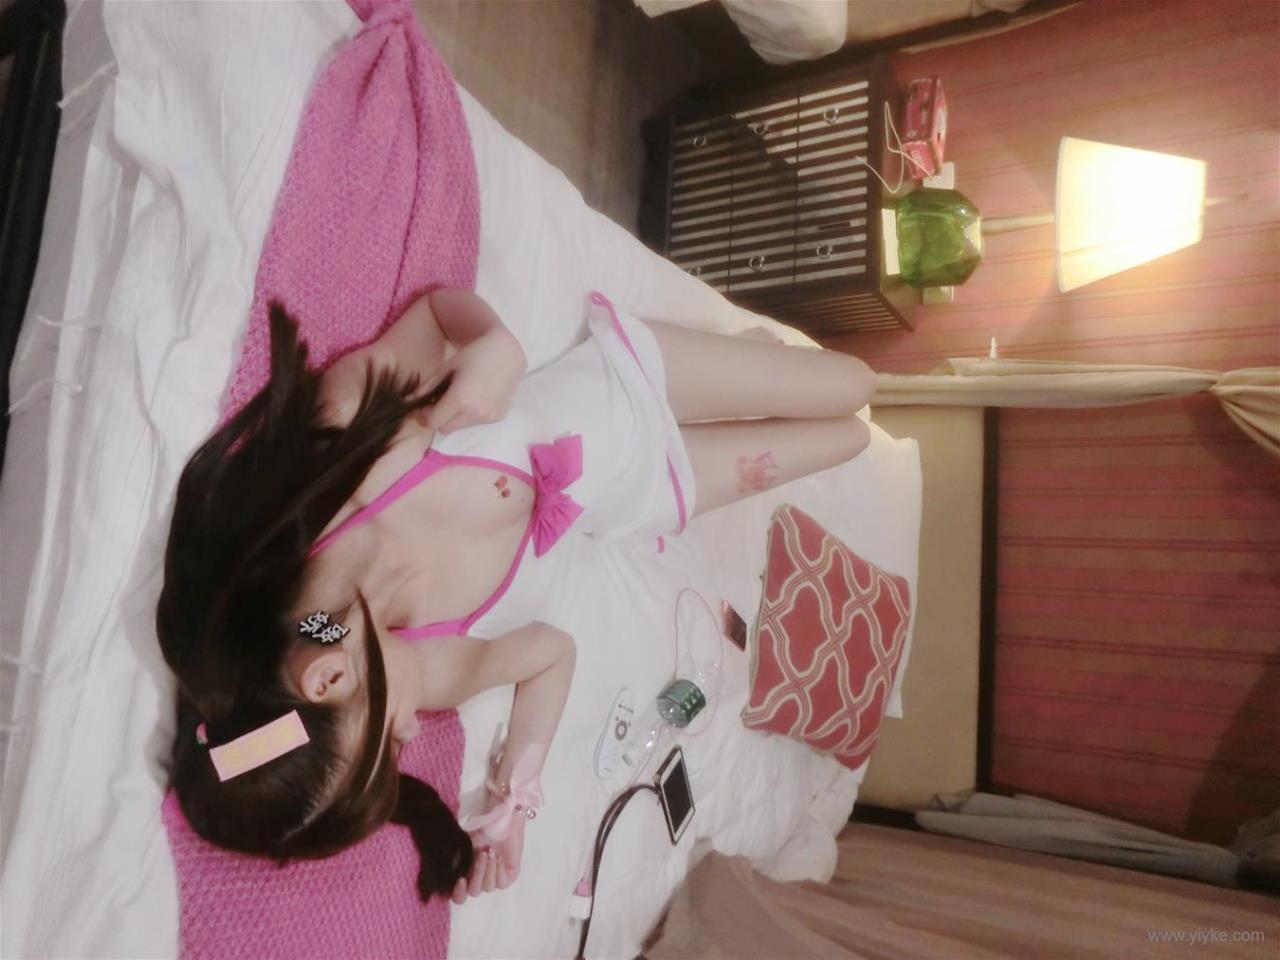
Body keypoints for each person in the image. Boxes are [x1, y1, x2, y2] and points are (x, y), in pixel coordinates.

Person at [156, 287, 874, 905]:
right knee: (850, 441)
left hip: (624, 383)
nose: (411, 738)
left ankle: (743, 363)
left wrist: (495, 343)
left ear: (328, 678)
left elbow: (436, 314)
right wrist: (516, 795)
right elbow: (551, 654)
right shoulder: (421, 662)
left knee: (856, 387)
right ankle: (751, 376)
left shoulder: (350, 457)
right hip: (641, 492)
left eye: (388, 745)